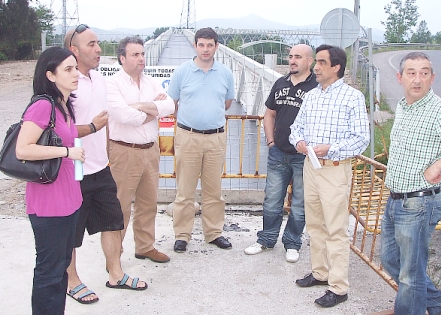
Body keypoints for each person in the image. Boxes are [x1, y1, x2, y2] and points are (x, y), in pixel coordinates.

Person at [64, 25, 147, 304]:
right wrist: (90, 129)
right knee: (71, 231)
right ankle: (71, 280)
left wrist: (108, 151)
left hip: (101, 167)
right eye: (91, 44)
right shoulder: (65, 85)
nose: (99, 49)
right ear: (74, 50)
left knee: (114, 221)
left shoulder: (100, 80)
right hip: (73, 170)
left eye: (98, 43)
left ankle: (116, 273)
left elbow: (106, 121)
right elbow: (56, 130)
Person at [289, 44, 370, 308]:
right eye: (317, 62)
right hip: (310, 167)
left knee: (336, 228)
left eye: (322, 62)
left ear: (336, 67)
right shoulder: (312, 95)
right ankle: (320, 273)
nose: (316, 67)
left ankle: (339, 287)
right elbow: (295, 126)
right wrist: (299, 141)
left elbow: (361, 139)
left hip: (335, 168)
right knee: (314, 224)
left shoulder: (352, 97)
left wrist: (329, 148)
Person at [16, 46, 85, 315]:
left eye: (75, 67)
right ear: (50, 75)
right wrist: (67, 152)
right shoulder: (43, 105)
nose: (76, 73)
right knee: (49, 271)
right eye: (68, 69)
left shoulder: (64, 105)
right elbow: (23, 149)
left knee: (60, 267)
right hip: (48, 203)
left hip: (69, 199)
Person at [380, 52, 441, 315]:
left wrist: (437, 167)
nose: (418, 79)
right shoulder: (404, 106)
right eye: (412, 73)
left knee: (409, 275)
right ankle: (436, 304)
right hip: (395, 199)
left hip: (419, 201)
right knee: (390, 259)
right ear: (400, 77)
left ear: (432, 77)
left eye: (424, 73)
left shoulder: (437, 109)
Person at [244, 44, 316, 263]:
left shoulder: (316, 87)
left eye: (298, 57)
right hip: (278, 152)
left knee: (300, 203)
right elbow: (269, 114)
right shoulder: (280, 83)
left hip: (303, 156)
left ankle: (292, 242)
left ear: (309, 61)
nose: (292, 61)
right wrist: (271, 141)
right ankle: (266, 239)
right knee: (272, 200)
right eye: (291, 56)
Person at [107, 36, 174, 263]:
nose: (141, 59)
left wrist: (139, 107)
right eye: (135, 55)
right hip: (124, 152)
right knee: (121, 206)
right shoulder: (113, 84)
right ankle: (114, 254)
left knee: (148, 203)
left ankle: (145, 246)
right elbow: (124, 116)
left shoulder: (151, 82)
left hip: (150, 150)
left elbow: (170, 106)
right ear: (122, 58)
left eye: (142, 54)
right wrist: (153, 110)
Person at [167, 27, 235, 253]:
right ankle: (182, 234)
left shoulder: (225, 73)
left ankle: (214, 232)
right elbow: (172, 103)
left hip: (216, 138)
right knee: (185, 190)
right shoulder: (182, 72)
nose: (205, 49)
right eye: (201, 45)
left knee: (213, 190)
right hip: (188, 136)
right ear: (195, 46)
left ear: (216, 46)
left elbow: (226, 103)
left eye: (210, 45)